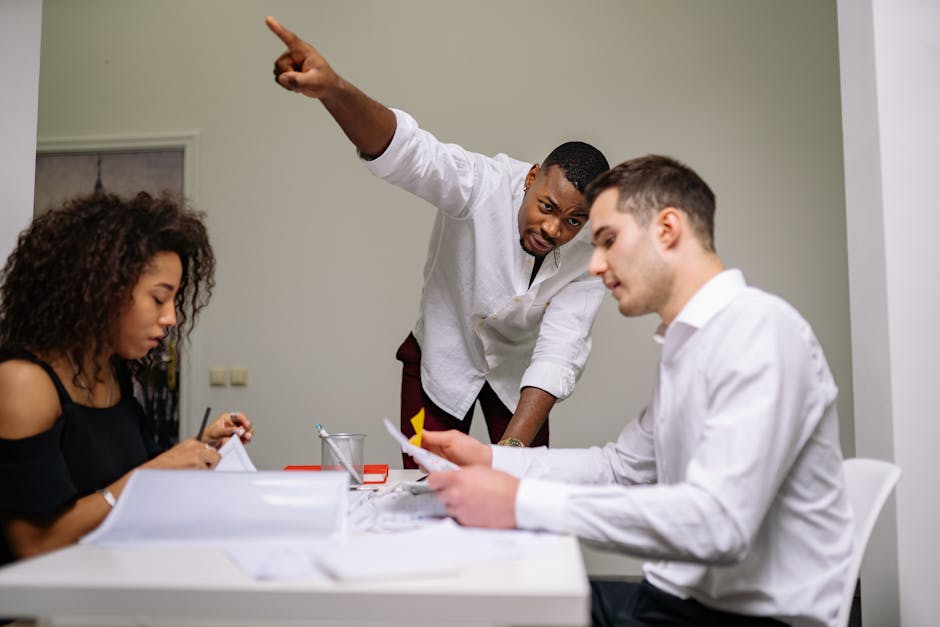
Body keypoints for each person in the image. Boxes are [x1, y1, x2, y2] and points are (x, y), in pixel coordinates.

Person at [421, 155, 853, 626]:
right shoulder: (691, 344)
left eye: (607, 241)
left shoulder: (759, 333)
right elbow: (620, 467)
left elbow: (718, 525)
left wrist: (519, 502)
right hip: (680, 601)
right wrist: (494, 460)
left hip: (747, 618)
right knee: (506, 603)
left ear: (667, 229)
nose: (595, 266)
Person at [266, 17, 610, 464]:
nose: (554, 230)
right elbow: (411, 154)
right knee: (425, 486)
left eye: (572, 221)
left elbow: (561, 349)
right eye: (547, 207)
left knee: (521, 482)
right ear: (530, 178)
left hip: (520, 377)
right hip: (441, 361)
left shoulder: (593, 254)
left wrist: (509, 457)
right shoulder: (480, 185)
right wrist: (333, 90)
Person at [0, 192, 254, 567]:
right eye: (158, 298)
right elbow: (35, 545)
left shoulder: (112, 373)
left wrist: (201, 447)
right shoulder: (24, 384)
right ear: (103, 291)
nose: (172, 318)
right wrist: (152, 473)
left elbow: (118, 481)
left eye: (175, 300)